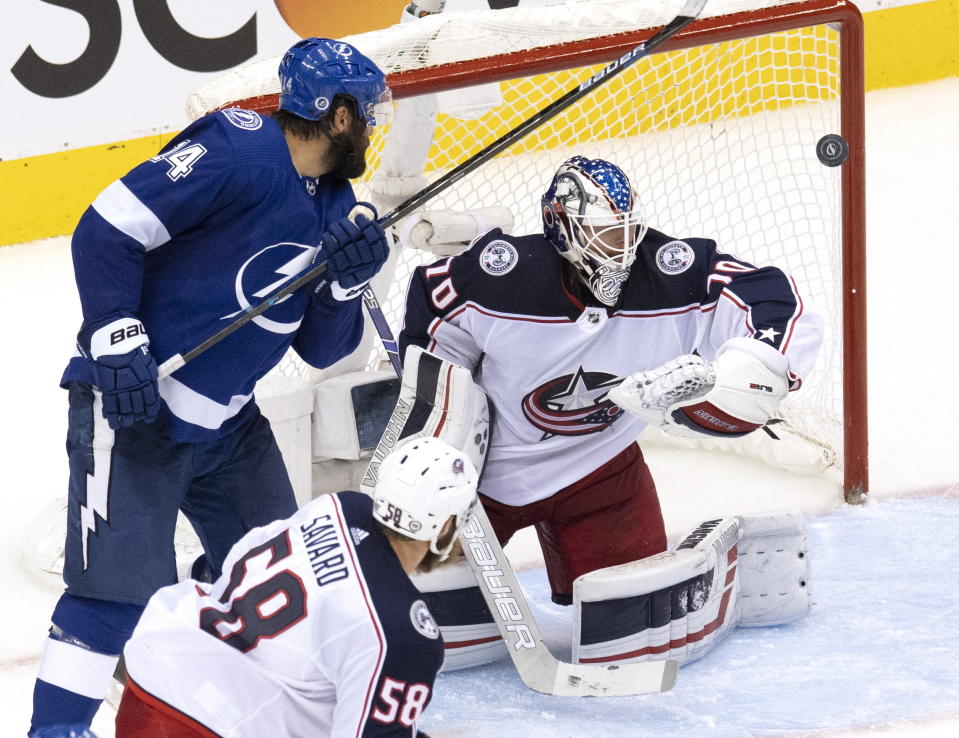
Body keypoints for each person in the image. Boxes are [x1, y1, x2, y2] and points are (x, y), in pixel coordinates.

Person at [30, 38, 393, 737]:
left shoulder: (335, 206)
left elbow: (322, 349)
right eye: (367, 115)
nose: (373, 129)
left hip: (228, 428)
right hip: (134, 411)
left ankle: (186, 693)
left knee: (275, 578)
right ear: (338, 116)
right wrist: (114, 332)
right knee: (113, 593)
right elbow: (106, 226)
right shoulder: (237, 148)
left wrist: (346, 284)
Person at [399, 155, 822, 607]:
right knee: (420, 608)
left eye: (626, 230)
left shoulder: (672, 273)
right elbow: (431, 311)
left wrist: (749, 372)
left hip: (601, 474)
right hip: (483, 480)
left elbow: (775, 299)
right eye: (603, 232)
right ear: (560, 226)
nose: (620, 248)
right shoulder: (499, 277)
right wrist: (443, 425)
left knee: (632, 613)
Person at [114, 437, 478, 737]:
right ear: (443, 526)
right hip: (208, 726)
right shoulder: (404, 633)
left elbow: (241, 556)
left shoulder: (338, 506)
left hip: (156, 671)